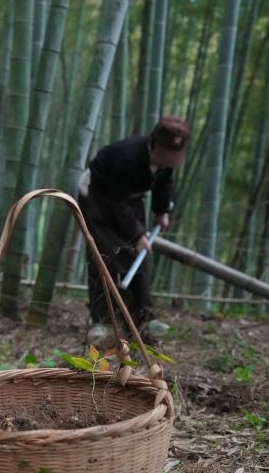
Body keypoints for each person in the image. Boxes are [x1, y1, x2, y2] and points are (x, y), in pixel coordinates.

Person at [77, 116, 191, 348]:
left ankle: (144, 318)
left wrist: (161, 211)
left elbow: (165, 182)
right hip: (98, 195)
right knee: (104, 255)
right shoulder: (126, 157)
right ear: (153, 145)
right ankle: (102, 321)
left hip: (127, 200)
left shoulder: (164, 162)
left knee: (140, 258)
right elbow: (113, 202)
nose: (170, 160)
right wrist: (138, 234)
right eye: (166, 153)